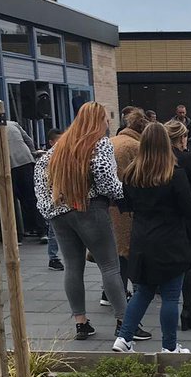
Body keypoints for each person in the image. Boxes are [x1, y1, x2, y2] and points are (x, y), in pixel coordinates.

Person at [34, 101, 127, 341]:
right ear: (98, 121)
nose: (108, 123)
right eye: (106, 118)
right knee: (109, 265)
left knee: (73, 267)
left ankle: (81, 322)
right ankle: (123, 322)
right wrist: (120, 193)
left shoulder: (58, 148)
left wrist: (49, 207)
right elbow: (104, 175)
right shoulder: (98, 144)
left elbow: (40, 175)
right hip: (90, 209)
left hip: (60, 214)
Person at [112, 123, 191, 354]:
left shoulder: (132, 174)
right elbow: (190, 210)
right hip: (171, 242)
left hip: (142, 241)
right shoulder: (175, 174)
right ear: (165, 144)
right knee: (171, 296)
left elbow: (126, 205)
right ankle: (169, 347)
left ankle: (124, 338)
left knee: (142, 292)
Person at [165, 119, 191, 330]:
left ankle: (171, 308)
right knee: (188, 265)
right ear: (181, 138)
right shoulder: (187, 159)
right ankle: (188, 310)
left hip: (163, 221)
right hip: (187, 219)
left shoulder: (156, 160)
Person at [109, 106, 147, 308]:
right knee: (127, 252)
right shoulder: (135, 146)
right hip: (128, 206)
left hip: (108, 204)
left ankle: (110, 292)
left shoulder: (112, 141)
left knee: (114, 253)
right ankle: (126, 292)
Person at [5, 115, 45, 241]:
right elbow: (28, 140)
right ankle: (42, 231)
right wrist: (32, 153)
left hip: (8, 165)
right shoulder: (13, 124)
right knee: (32, 197)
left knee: (11, 200)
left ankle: (18, 235)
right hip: (26, 161)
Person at [43, 128, 64, 271]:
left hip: (62, 198)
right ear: (51, 142)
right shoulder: (48, 158)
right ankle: (53, 257)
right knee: (53, 230)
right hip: (53, 199)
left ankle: (55, 256)